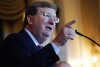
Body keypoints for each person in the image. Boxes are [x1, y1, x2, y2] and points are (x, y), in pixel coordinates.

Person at [0, 1, 76, 67]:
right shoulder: (14, 40)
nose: (52, 22)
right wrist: (57, 42)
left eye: (55, 19)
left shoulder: (41, 51)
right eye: (47, 15)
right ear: (30, 19)